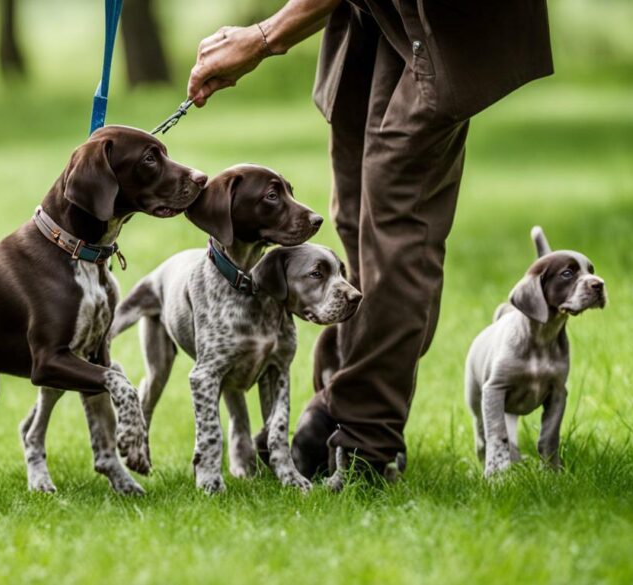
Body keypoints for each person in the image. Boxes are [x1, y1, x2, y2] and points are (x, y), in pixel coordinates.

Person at [187, 0, 553, 480]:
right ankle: (332, 410)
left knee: (397, 222)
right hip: (372, 12)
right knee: (355, 213)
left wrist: (264, 37)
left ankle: (366, 439)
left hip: (440, 18)